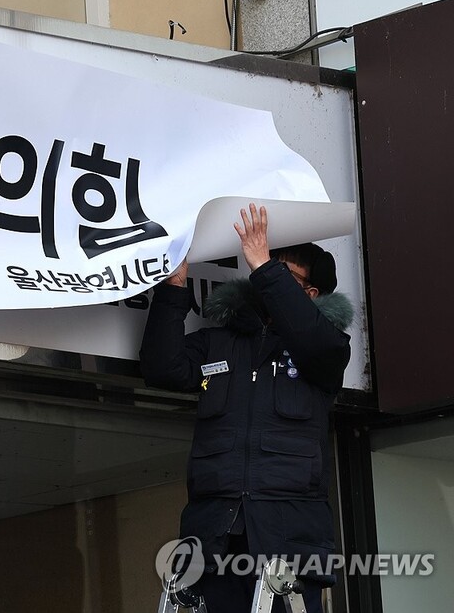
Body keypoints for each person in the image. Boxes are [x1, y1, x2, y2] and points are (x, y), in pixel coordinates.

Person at [140, 204, 353, 613]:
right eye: (264, 268)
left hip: (287, 544)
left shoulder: (324, 349)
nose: (264, 277)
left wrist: (260, 262)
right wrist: (173, 288)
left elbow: (315, 340)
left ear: (310, 294)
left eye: (282, 274)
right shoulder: (221, 342)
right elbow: (162, 368)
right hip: (216, 537)